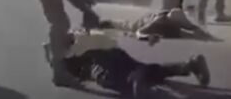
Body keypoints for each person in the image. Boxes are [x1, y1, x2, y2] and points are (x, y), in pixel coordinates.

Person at [61, 29, 210, 98]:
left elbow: (69, 57)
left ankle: (141, 85)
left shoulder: (78, 43)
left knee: (111, 79)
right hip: (117, 52)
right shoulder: (84, 32)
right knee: (145, 70)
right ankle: (190, 64)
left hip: (107, 59)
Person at [99, 8, 215, 44]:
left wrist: (205, 35)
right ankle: (108, 23)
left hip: (159, 21)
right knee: (129, 26)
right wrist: (146, 37)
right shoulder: (158, 23)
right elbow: (140, 32)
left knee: (184, 33)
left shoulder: (175, 21)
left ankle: (108, 23)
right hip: (145, 22)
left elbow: (190, 28)